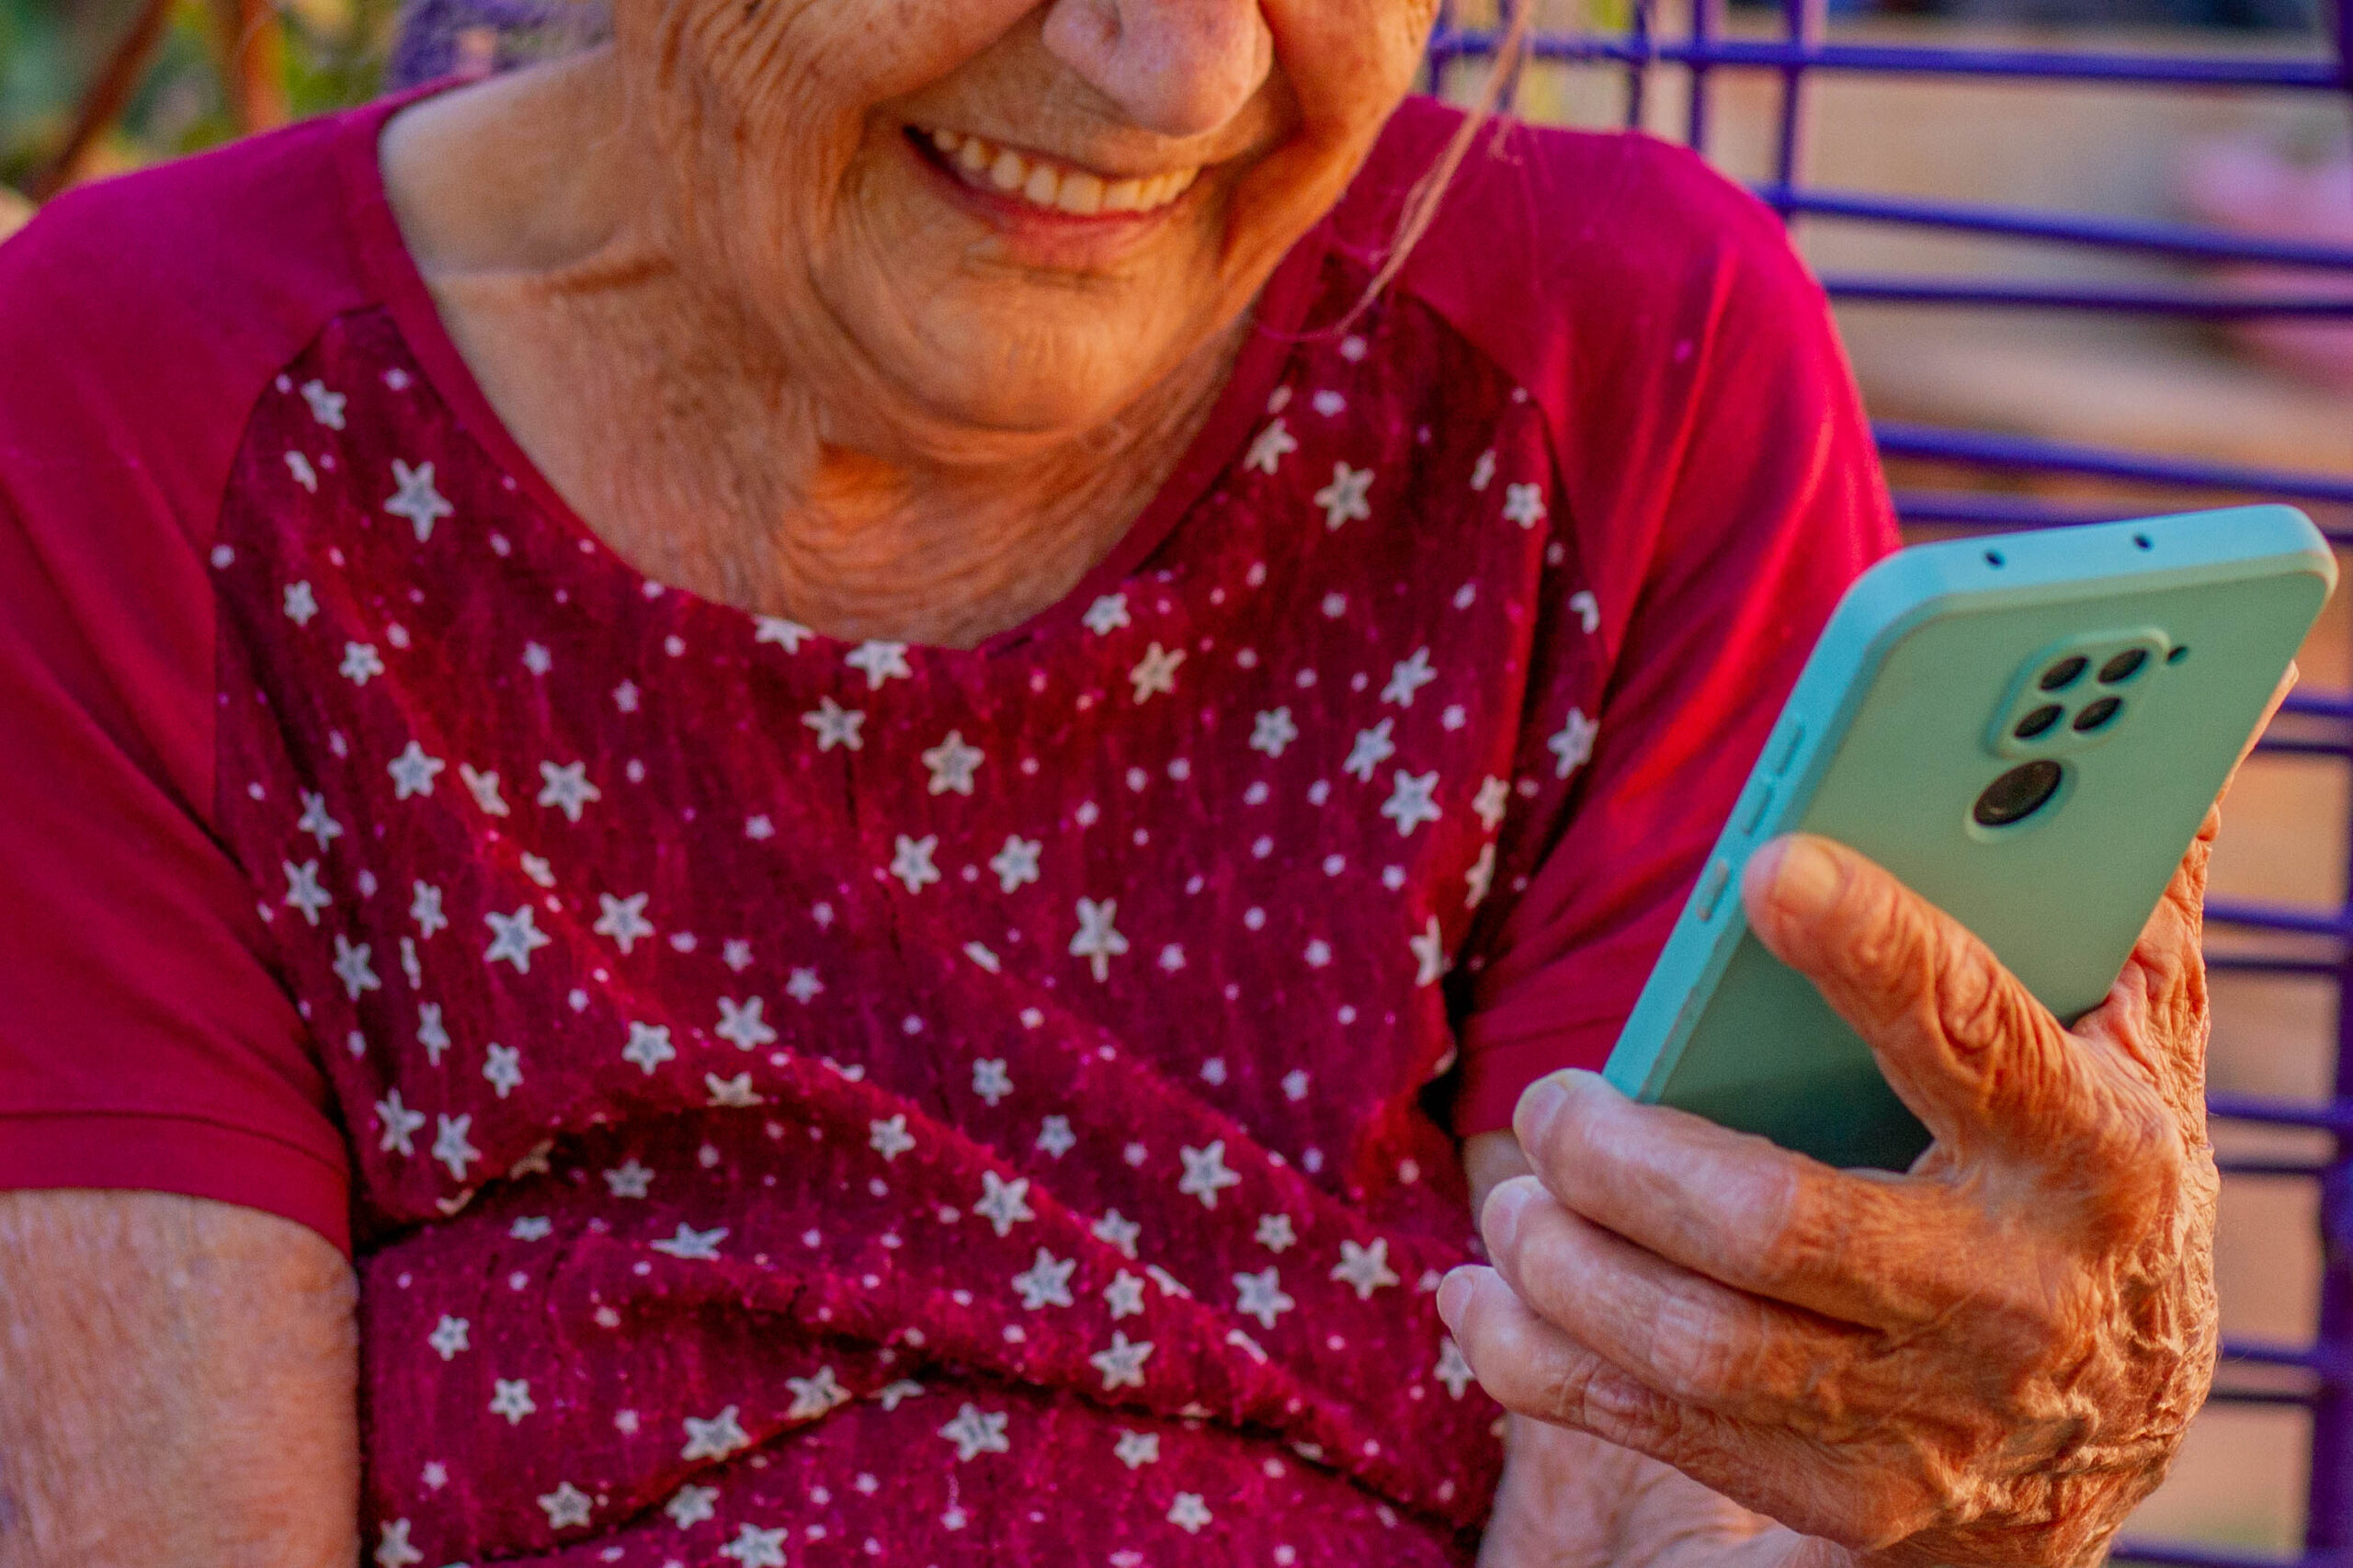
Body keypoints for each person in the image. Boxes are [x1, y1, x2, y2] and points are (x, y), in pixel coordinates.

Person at [0, 3, 2226, 1564]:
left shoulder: (1618, 360)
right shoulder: (149, 406)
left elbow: (1668, 1493)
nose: (1187, 65)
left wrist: (1939, 1490)